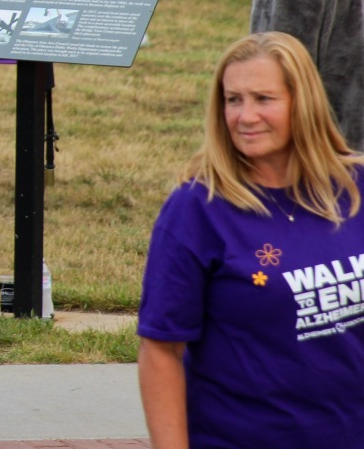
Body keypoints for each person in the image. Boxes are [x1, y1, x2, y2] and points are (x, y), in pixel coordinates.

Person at [138, 31, 364, 447]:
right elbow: (160, 350)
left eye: (263, 99)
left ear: (303, 103)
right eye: (233, 99)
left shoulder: (355, 189)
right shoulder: (197, 210)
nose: (245, 116)